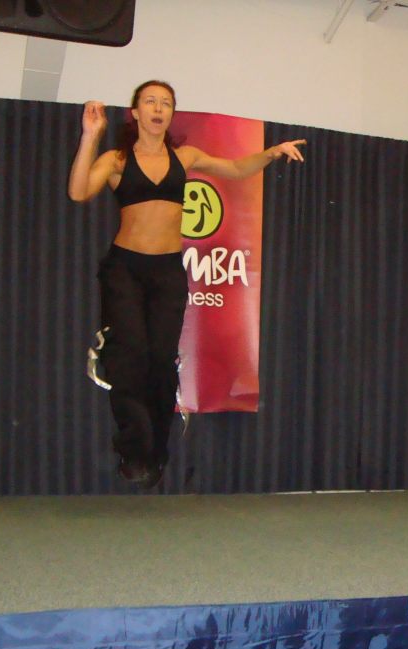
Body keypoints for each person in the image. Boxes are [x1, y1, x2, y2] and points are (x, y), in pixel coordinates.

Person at [68, 80, 305, 486]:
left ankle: (155, 454)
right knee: (130, 355)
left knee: (161, 360)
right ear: (136, 112)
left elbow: (235, 169)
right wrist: (91, 136)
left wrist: (270, 153)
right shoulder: (117, 159)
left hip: (166, 272)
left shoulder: (186, 156)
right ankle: (134, 451)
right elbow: (78, 192)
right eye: (150, 101)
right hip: (125, 269)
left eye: (166, 103)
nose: (158, 108)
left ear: (171, 114)